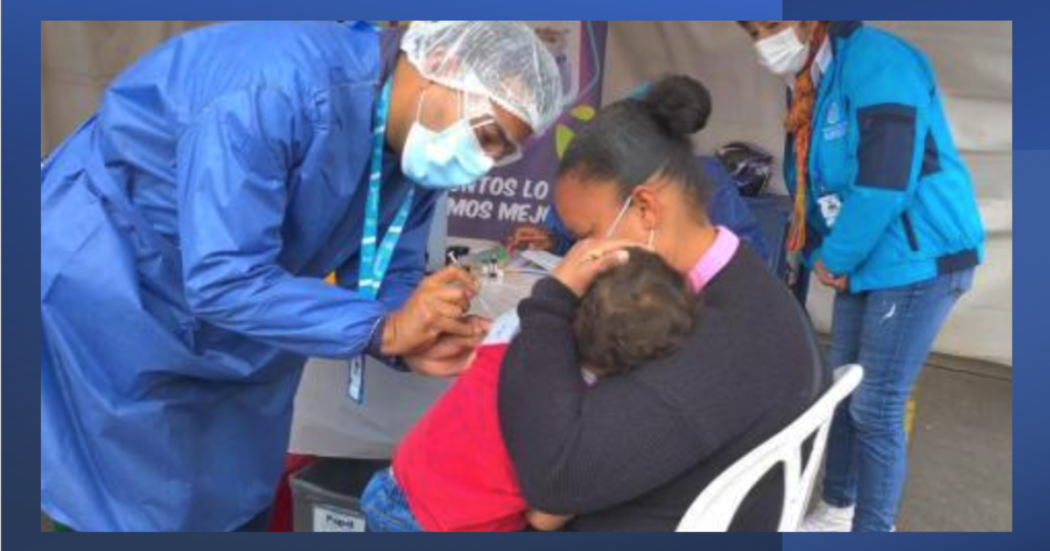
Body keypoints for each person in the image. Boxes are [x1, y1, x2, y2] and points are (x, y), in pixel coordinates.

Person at [41, 21, 564, 531]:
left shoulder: (414, 146)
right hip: (122, 292)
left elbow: (388, 271)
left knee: (233, 493)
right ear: (441, 63)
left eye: (501, 153)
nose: (481, 164)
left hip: (246, 316)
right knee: (125, 504)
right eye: (486, 136)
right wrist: (384, 330)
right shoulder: (273, 89)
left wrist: (413, 337)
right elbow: (223, 278)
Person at [496, 76, 829, 532]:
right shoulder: (738, 282)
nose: (579, 253)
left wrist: (552, 301)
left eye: (585, 235)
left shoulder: (726, 340)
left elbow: (554, 480)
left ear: (646, 208)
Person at [737, 21, 985, 532]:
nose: (763, 41)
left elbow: (884, 181)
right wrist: (821, 251)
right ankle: (837, 509)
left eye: (772, 25)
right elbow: (816, 179)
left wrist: (835, 258)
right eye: (752, 30)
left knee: (877, 404)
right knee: (843, 391)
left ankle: (873, 530)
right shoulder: (813, 78)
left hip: (918, 257)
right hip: (868, 257)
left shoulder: (878, 61)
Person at [360, 249, 699, 532]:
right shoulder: (594, 422)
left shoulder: (514, 330)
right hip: (455, 526)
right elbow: (544, 518)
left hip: (394, 488)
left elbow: (554, 295)